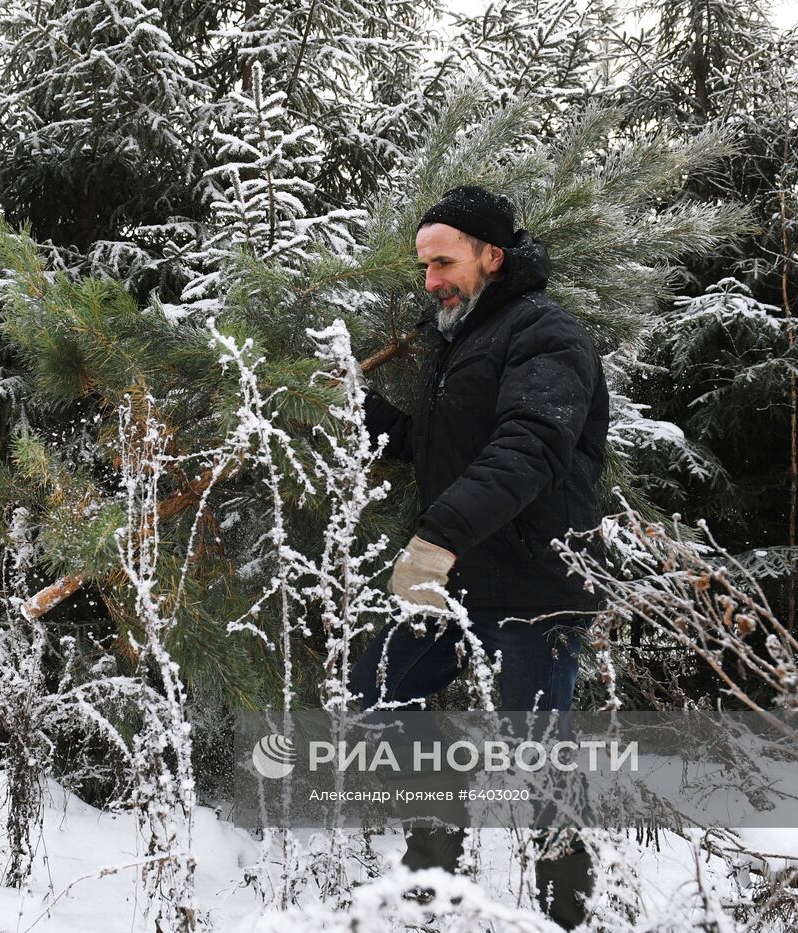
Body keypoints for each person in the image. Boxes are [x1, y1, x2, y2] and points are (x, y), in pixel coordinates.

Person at [350, 185, 607, 929]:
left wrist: (435, 539)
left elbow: (528, 450)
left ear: (492, 256)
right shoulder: (457, 339)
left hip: (536, 581)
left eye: (444, 262)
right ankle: (435, 855)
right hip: (460, 577)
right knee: (379, 685)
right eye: (423, 266)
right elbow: (443, 450)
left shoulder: (550, 336)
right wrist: (360, 409)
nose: (430, 280)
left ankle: (567, 910)